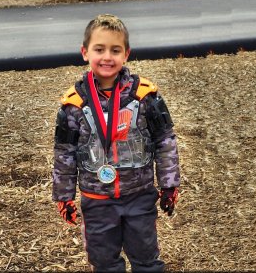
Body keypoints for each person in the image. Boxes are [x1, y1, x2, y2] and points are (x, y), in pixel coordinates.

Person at [52, 14, 180, 272]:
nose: (107, 57)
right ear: (85, 52)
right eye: (99, 49)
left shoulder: (146, 96)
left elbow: (165, 141)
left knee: (146, 260)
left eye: (115, 50)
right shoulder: (73, 104)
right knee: (104, 263)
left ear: (127, 54)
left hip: (140, 195)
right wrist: (64, 196)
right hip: (96, 199)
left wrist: (169, 184)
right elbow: (64, 152)